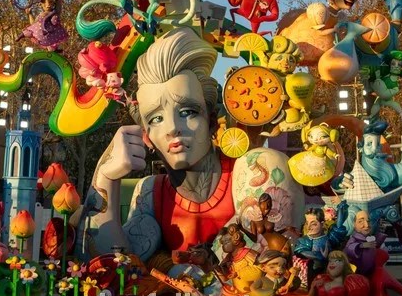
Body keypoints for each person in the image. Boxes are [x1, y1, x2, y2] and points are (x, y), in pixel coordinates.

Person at [86, 28, 302, 266]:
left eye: (187, 112)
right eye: (156, 119)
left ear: (211, 121)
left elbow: (268, 264)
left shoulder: (256, 167)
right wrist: (105, 176)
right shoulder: (150, 192)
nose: (172, 128)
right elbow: (114, 267)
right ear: (146, 137)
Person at [293, 208, 348, 277]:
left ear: (322, 224)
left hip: (329, 272)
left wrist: (340, 210)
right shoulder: (304, 240)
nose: (309, 227)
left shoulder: (328, 238)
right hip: (311, 272)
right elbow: (301, 251)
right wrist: (319, 256)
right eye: (307, 223)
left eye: (313, 224)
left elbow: (338, 229)